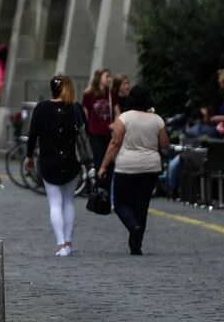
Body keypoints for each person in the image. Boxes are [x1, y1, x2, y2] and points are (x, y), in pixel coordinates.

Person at [98, 84, 169, 255]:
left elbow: (115, 143)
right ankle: (136, 245)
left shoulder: (124, 118)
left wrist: (103, 166)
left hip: (127, 166)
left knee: (121, 203)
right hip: (151, 166)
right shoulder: (157, 120)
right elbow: (164, 143)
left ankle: (133, 226)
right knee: (141, 206)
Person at [23, 75, 85, 256]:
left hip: (49, 161)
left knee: (55, 204)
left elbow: (33, 134)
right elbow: (84, 134)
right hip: (71, 161)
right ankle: (68, 241)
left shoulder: (42, 108)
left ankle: (60, 245)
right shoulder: (75, 108)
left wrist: (28, 156)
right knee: (68, 202)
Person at [166, 106, 217, 198]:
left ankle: (173, 191)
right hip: (210, 159)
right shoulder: (212, 130)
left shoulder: (190, 131)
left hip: (191, 158)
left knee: (172, 166)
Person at [82, 69, 115, 170]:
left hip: (109, 132)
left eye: (110, 76)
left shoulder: (111, 93)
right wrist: (87, 128)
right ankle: (99, 183)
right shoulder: (88, 94)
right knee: (99, 159)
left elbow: (117, 111)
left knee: (109, 160)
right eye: (106, 76)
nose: (109, 79)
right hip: (95, 132)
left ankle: (106, 184)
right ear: (99, 78)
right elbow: (85, 113)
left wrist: (116, 123)